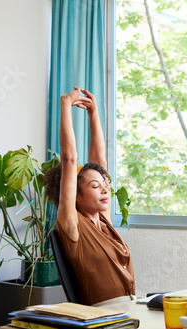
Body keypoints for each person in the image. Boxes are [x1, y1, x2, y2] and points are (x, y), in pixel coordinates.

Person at [45, 87, 135, 306]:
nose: (105, 189)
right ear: (76, 195)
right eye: (95, 186)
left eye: (106, 185)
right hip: (102, 317)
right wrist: (65, 104)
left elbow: (100, 163)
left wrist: (93, 113)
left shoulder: (103, 220)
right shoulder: (72, 225)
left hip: (130, 311)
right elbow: (69, 159)